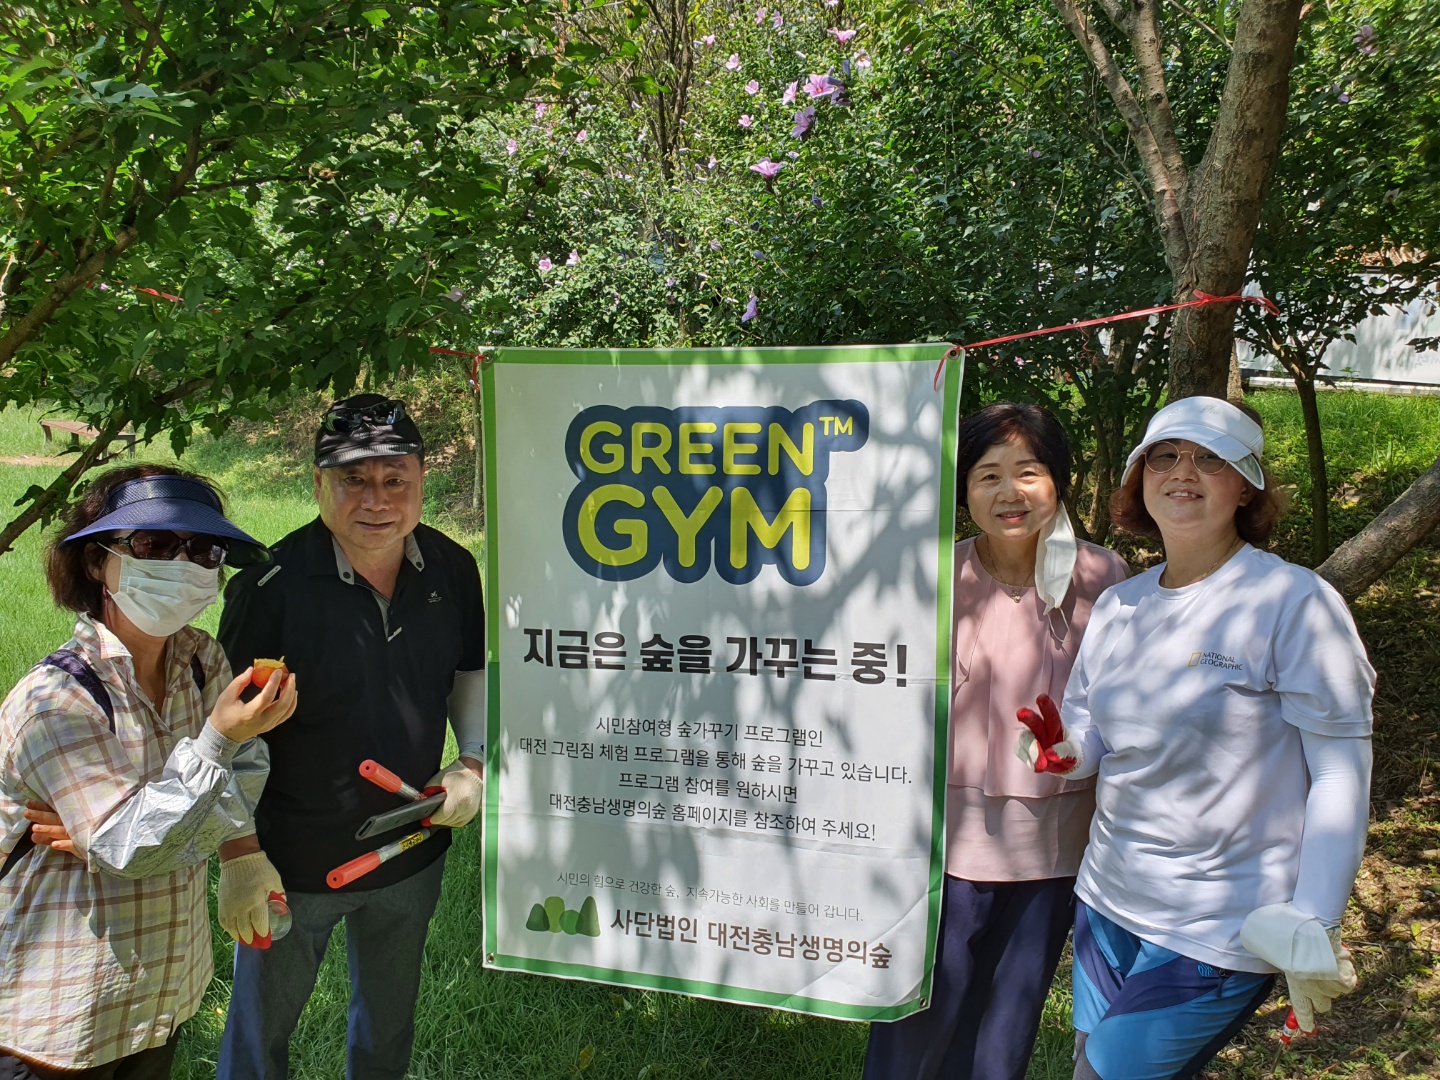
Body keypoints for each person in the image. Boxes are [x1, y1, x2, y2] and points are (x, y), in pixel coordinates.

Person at [1018, 396, 1375, 1080]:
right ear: (1140, 478)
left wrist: (1316, 919)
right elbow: (1091, 730)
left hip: (1218, 922)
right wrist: (1066, 752)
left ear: (1246, 486)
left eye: (1211, 458)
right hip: (1108, 897)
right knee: (1088, 1060)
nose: (1184, 471)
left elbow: (1340, 773)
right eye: (1165, 456)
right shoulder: (1122, 604)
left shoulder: (1294, 603)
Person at [216, 394, 488, 1080]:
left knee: (388, 1031)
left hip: (413, 846)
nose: (377, 499)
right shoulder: (268, 585)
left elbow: (468, 673)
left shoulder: (455, 569)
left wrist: (474, 762)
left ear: (423, 478)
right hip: (293, 861)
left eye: (395, 478)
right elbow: (224, 734)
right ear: (317, 483)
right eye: (353, 479)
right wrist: (240, 854)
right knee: (259, 1039)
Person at [0, 465, 297, 1079]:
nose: (182, 564)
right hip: (58, 1017)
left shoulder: (202, 659)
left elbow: (239, 776)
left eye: (203, 549)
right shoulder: (55, 700)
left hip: (162, 993)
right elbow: (129, 848)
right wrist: (216, 742)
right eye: (154, 544)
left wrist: (238, 852)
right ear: (96, 561)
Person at [865, 404, 1129, 1080]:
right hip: (940, 842)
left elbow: (1123, 708)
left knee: (1004, 1030)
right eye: (988, 475)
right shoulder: (930, 576)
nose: (1010, 492)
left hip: (1053, 848)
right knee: (915, 1016)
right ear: (964, 490)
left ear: (1059, 481)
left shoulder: (1105, 579)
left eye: (1028, 472)